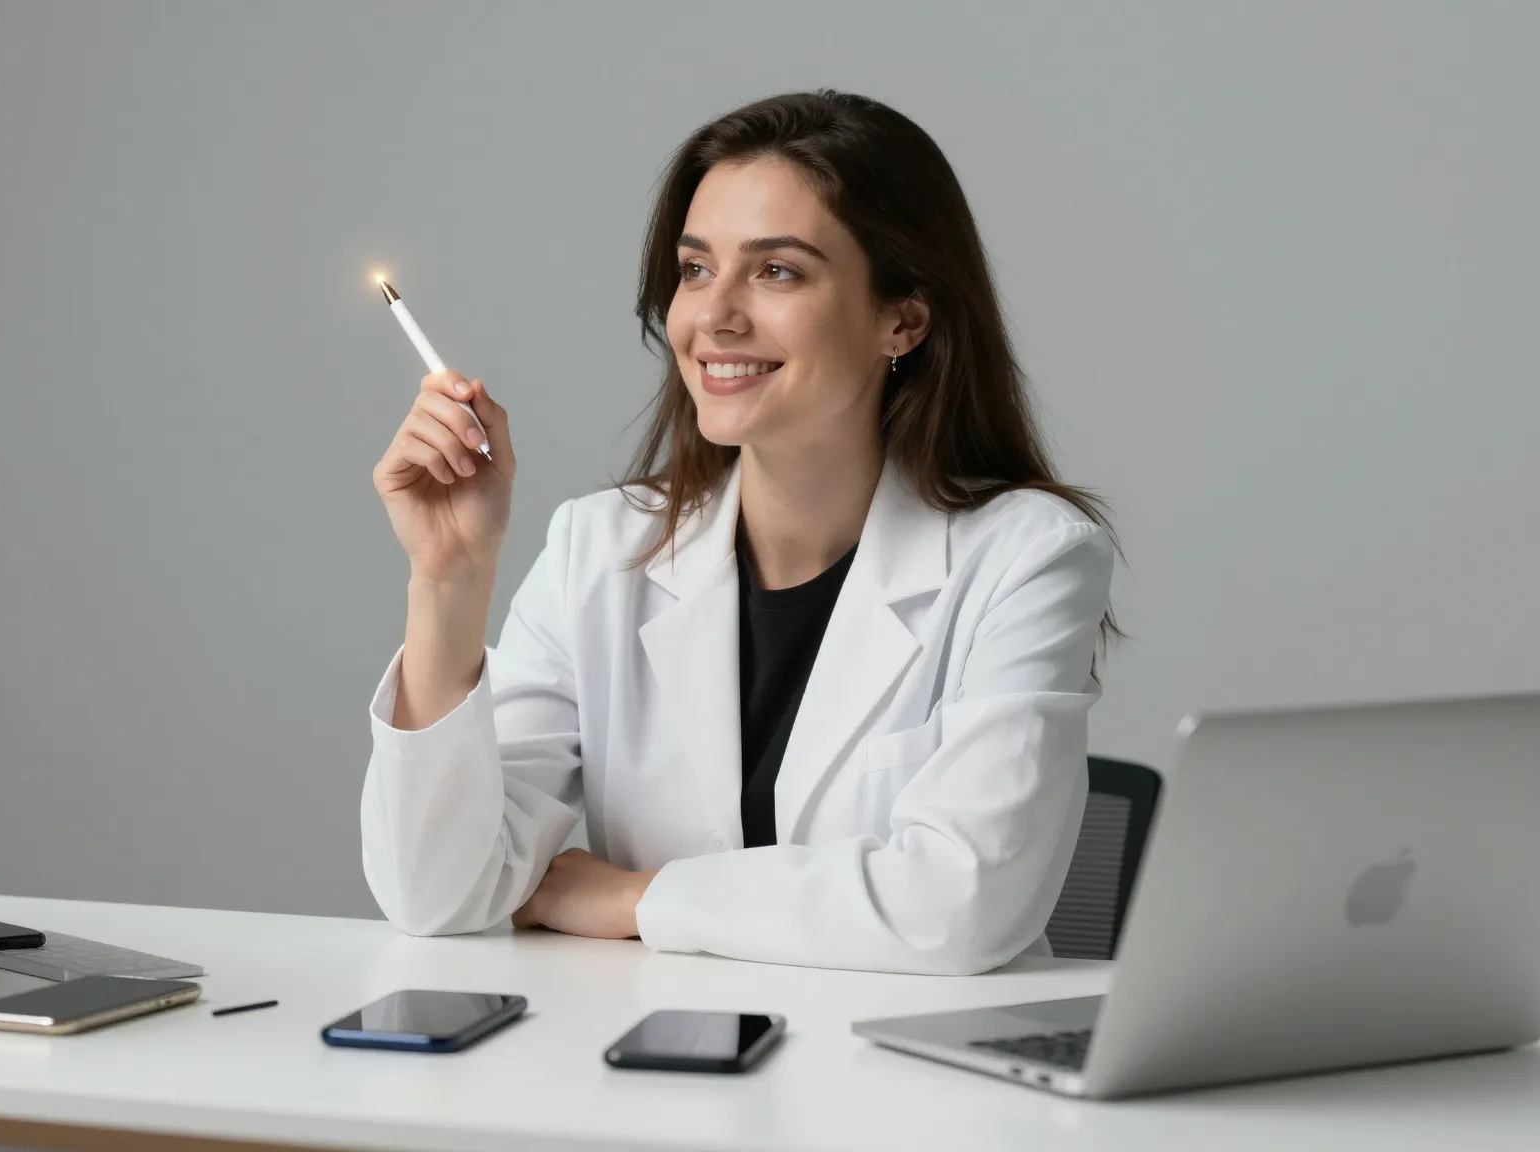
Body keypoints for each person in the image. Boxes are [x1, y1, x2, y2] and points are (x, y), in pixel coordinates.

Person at [361, 90, 1117, 976]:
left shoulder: (1028, 555)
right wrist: (449, 581)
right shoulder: (598, 550)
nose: (714, 316)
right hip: (662, 1082)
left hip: (912, 1090)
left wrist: (633, 897)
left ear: (903, 319)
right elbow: (438, 896)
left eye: (778, 272)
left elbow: (963, 907)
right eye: (694, 270)